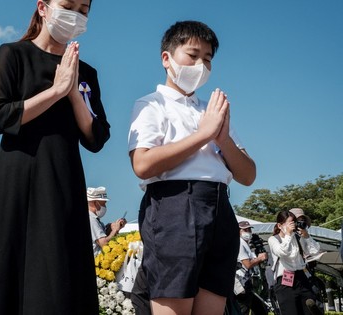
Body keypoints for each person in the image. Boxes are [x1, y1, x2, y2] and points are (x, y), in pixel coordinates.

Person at [0, 0, 110, 313]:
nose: (75, 15)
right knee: (11, 268)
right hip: (18, 176)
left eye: (83, 10)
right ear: (43, 7)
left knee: (60, 269)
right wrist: (55, 91)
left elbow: (96, 138)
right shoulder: (13, 53)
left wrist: (74, 93)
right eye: (68, 5)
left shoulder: (85, 71)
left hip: (63, 178)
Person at [128, 21, 257, 315]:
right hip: (174, 204)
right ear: (167, 58)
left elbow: (248, 174)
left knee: (213, 301)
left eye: (208, 59)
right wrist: (202, 134)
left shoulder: (211, 110)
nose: (200, 64)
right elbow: (143, 163)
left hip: (219, 206)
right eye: (193, 55)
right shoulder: (151, 104)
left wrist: (222, 138)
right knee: (174, 302)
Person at [268, 210, 321, 315]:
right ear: (279, 225)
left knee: (310, 309)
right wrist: (288, 234)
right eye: (290, 222)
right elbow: (283, 252)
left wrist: (306, 235)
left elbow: (314, 251)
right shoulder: (273, 239)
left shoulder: (298, 237)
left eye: (295, 222)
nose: (294, 225)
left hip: (301, 277)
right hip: (284, 280)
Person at [235, 221, 268, 315]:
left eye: (249, 229)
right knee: (244, 310)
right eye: (245, 230)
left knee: (259, 309)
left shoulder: (245, 244)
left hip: (247, 282)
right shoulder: (240, 243)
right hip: (242, 284)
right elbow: (247, 264)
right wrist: (260, 258)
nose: (248, 232)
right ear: (239, 231)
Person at [87, 186, 126, 256]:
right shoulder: (91, 220)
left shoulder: (95, 219)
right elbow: (104, 244)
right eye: (103, 203)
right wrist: (114, 230)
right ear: (95, 203)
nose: (105, 206)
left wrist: (110, 229)